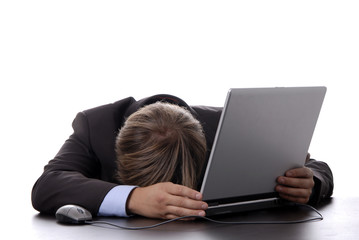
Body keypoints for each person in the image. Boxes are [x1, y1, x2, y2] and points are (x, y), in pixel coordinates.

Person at [31, 94, 334, 220]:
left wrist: (312, 182)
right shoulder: (95, 126)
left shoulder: (228, 126)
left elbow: (314, 166)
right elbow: (48, 184)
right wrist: (133, 198)